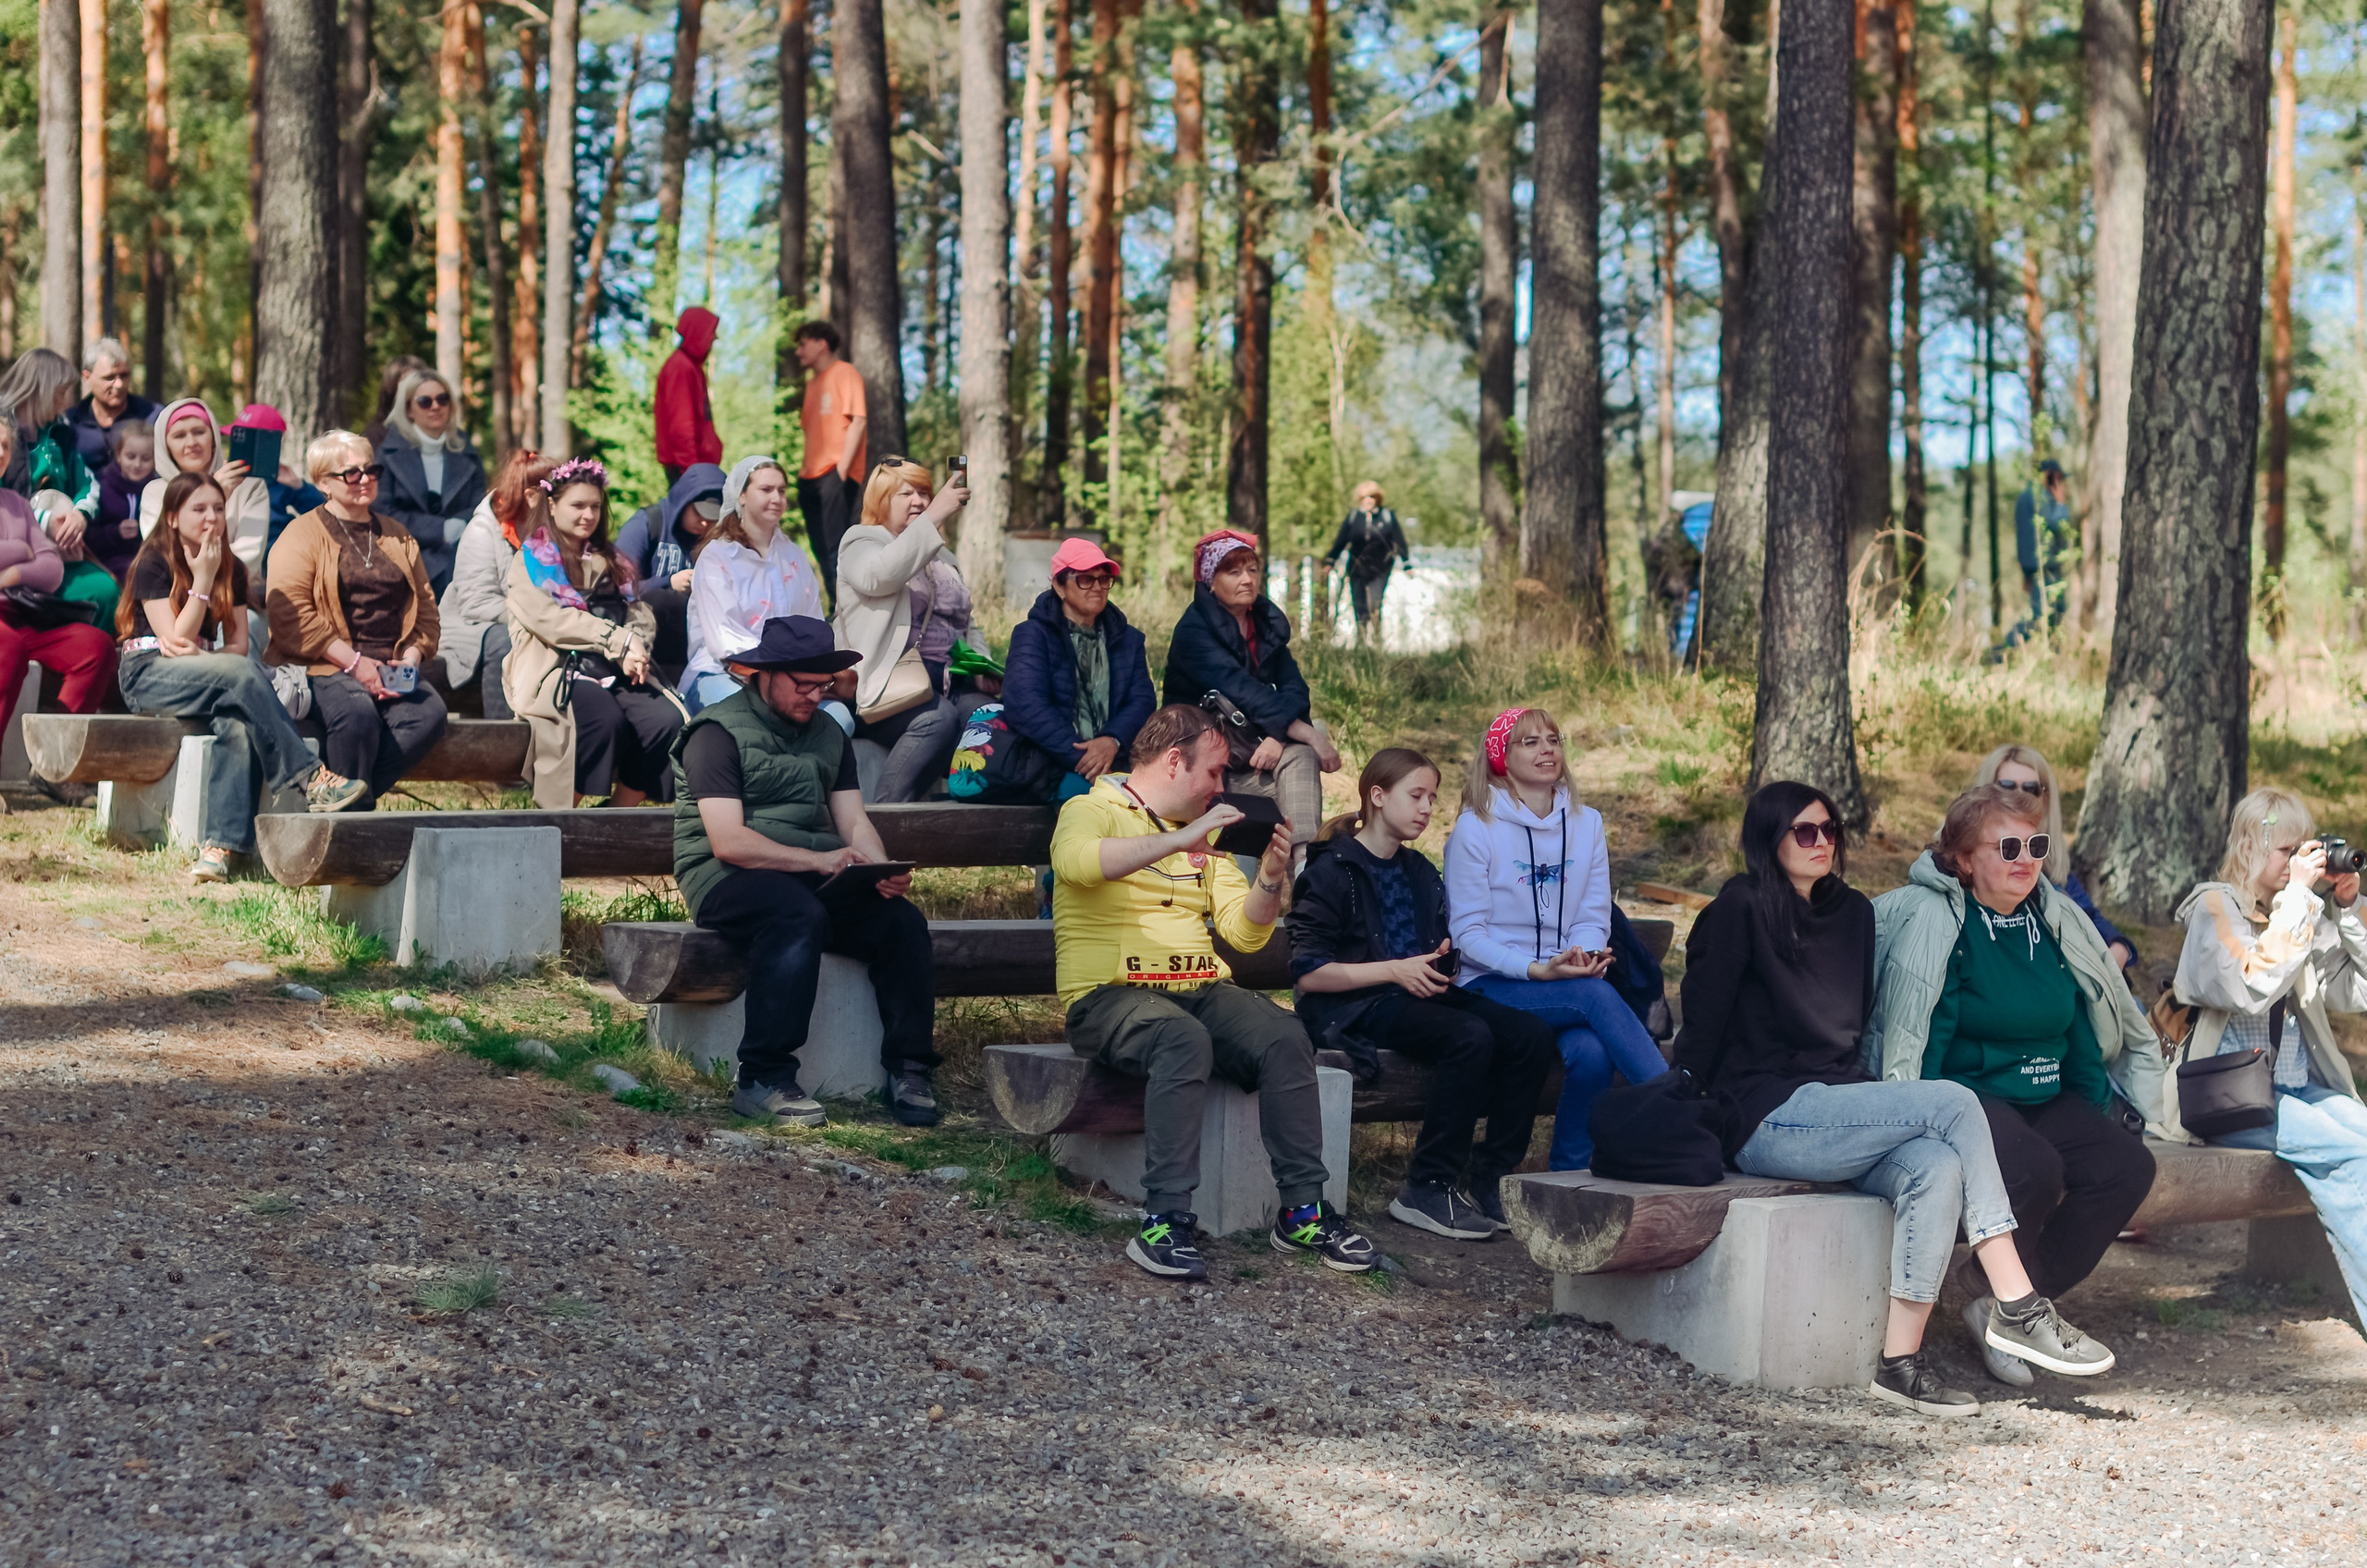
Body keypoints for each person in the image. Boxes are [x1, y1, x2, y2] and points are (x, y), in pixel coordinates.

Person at [1679, 780, 2117, 1415]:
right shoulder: (1737, 909)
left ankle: (1899, 1364)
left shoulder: (1854, 914)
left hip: (1839, 1105)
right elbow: (1703, 1028)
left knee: (1936, 1165)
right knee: (1953, 1102)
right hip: (1764, 1111)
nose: (1821, 842)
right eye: (1804, 832)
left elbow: (1862, 1027)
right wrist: (1692, 1100)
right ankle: (2018, 1303)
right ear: (1766, 840)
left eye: (1831, 830)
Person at [1052, 703, 1378, 1281]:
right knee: (1181, 1038)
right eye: (1214, 771)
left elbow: (1244, 935)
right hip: (1107, 995)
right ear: (1174, 760)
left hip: (1199, 988)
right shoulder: (1091, 808)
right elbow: (1080, 866)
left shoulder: (1208, 836)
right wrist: (1181, 842)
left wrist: (1270, 877)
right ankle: (1164, 1220)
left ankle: (1302, 1212)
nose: (1221, 786)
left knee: (1283, 1035)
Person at [1868, 782, 2164, 1387]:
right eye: (2006, 846)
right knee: (2034, 1169)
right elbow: (1925, 1036)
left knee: (2125, 1167)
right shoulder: (1947, 924)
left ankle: (1996, 1299)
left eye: (2035, 844)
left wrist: (2095, 1108)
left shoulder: (2052, 919)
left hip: (2048, 1094)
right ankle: (2015, 1306)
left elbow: (2079, 1021)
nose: (2025, 858)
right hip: (1968, 1096)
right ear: (1962, 860)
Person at [672, 614, 939, 1129]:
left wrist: (878, 868)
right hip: (724, 879)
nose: (815, 696)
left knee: (901, 921)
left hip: (809, 879)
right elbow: (728, 843)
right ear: (765, 674)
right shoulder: (715, 733)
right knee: (796, 914)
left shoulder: (828, 735)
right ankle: (762, 1076)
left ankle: (910, 1068)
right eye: (804, 685)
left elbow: (853, 820)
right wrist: (820, 861)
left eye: (824, 686)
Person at [1288, 747, 1555, 1239]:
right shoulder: (1331, 870)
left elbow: (1430, 948)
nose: (1427, 808)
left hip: (1415, 994)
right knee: (1469, 1036)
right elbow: (1309, 975)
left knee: (1530, 1036)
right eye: (1416, 795)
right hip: (1353, 1005)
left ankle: (1491, 1176)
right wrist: (1395, 971)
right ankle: (1427, 1186)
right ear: (1376, 796)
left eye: (1433, 797)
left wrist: (1442, 965)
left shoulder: (1419, 871)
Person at [2169, 787, 2367, 1329]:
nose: (2303, 861)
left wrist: (2349, 907)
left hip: (2293, 1090)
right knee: (2354, 1156)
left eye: (2308, 848)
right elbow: (2252, 984)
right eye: (2288, 851)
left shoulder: (2294, 911)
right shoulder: (2216, 909)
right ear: (2249, 848)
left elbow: (2360, 990)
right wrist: (2302, 902)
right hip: (2229, 1102)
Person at [1444, 706, 1668, 1172]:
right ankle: (1678, 1109)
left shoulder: (1588, 823)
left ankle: (1569, 1176)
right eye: (1530, 741)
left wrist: (1582, 952)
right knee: (1594, 996)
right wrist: (1535, 970)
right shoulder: (1475, 828)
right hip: (1489, 984)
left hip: (1562, 982)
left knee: (1591, 1051)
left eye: (1553, 739)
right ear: (1500, 757)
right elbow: (1468, 934)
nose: (1547, 748)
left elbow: (1593, 911)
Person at [116, 472, 368, 878]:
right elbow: (174, 641)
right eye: (198, 509)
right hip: (148, 673)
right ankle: (310, 777)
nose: (211, 518)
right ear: (173, 518)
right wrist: (201, 579)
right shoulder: (154, 560)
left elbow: (236, 646)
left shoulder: (228, 565)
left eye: (218, 508)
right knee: (238, 674)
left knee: (237, 722)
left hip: (209, 671)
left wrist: (206, 642)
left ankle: (220, 848)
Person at [264, 431, 450, 807]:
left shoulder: (399, 537)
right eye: (351, 473)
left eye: (371, 470)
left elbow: (426, 612)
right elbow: (289, 615)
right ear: (323, 483)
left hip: (390, 665)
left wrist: (410, 662)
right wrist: (354, 663)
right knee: (357, 713)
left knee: (429, 714)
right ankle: (348, 826)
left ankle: (350, 802)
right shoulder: (300, 535)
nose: (364, 479)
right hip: (323, 664)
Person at [504, 459, 683, 808]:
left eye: (595, 506)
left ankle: (616, 816)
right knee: (602, 720)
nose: (588, 515)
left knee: (667, 721)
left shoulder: (612, 560)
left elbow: (639, 614)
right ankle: (555, 820)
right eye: (578, 505)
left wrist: (636, 648)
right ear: (552, 506)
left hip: (614, 670)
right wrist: (618, 641)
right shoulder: (530, 560)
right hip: (555, 670)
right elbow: (552, 621)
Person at [1161, 529, 1342, 863]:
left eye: (1252, 570)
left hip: (1248, 749)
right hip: (1204, 767)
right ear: (1210, 582)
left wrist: (1278, 736)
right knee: (1306, 745)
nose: (1247, 579)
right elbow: (1242, 690)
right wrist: (1311, 736)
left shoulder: (1264, 623)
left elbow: (1295, 689)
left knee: (1300, 757)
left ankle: (1304, 870)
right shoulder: (1193, 631)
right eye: (1234, 572)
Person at [834, 458, 974, 803]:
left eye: (925, 493)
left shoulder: (944, 558)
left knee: (991, 718)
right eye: (906, 492)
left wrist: (982, 664)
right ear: (882, 500)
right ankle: (886, 822)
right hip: (883, 683)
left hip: (947, 677)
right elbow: (878, 575)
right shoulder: (861, 542)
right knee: (939, 719)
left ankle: (968, 820)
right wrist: (933, 519)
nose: (920, 500)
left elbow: (967, 622)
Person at [1000, 537, 1154, 802]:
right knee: (1089, 802)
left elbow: (1142, 700)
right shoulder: (1032, 635)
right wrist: (1085, 758)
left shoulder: (1128, 639)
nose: (1097, 587)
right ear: (1059, 586)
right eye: (1085, 579)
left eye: (1103, 579)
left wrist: (1111, 741)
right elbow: (1025, 704)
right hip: (1053, 761)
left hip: (1117, 757)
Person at [680, 456, 828, 713]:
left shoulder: (794, 556)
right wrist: (777, 680)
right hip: (719, 673)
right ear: (742, 496)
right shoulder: (717, 556)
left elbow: (813, 625)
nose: (777, 498)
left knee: (839, 719)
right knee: (752, 715)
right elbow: (724, 641)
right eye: (766, 489)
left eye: (781, 490)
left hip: (790, 677)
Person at [1971, 743, 2136, 971]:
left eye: (2031, 789)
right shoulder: (1966, 858)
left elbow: (2089, 915)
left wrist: (2119, 945)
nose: (2020, 798)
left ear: (2046, 800)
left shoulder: (2048, 864)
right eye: (2006, 787)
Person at [0, 461, 116, 764]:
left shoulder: (17, 504)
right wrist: (21, 551)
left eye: (5, 447)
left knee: (96, 646)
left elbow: (51, 571)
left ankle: (54, 764)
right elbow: (35, 561)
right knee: (8, 647)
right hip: (7, 631)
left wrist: (10, 573)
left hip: (21, 613)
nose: (0, 453)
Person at [0, 348, 115, 624]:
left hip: (60, 553)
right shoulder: (4, 432)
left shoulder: (61, 431)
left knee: (106, 590)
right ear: (41, 389)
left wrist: (78, 516)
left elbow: (87, 484)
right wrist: (44, 521)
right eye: (61, 391)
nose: (66, 401)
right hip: (14, 558)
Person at [437, 449, 554, 721]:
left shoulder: (552, 531)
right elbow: (475, 603)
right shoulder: (482, 530)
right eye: (555, 494)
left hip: (534, 623)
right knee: (507, 643)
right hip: (472, 631)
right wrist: (535, 617)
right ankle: (500, 735)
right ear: (532, 496)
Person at [374, 370, 489, 592]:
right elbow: (382, 512)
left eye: (442, 399)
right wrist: (440, 529)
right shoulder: (387, 454)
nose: (436, 407)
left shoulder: (466, 449)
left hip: (463, 553)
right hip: (406, 555)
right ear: (409, 410)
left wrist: (458, 525)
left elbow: (480, 502)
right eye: (425, 401)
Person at [139, 398, 270, 588]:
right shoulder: (156, 491)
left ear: (214, 438)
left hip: (234, 596)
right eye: (179, 436)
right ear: (166, 446)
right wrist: (217, 494)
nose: (191, 442)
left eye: (199, 432)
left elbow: (248, 561)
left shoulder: (250, 485)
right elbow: (160, 556)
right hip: (175, 594)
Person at [614, 461, 725, 671]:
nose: (704, 523)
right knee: (662, 600)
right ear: (683, 501)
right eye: (698, 513)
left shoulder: (717, 538)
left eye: (711, 518)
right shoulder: (648, 523)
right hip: (645, 633)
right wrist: (668, 583)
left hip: (696, 640)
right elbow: (616, 587)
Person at [791, 322, 867, 603]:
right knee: (819, 547)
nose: (798, 352)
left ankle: (847, 609)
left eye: (803, 344)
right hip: (809, 476)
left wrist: (841, 471)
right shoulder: (812, 384)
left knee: (837, 546)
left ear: (821, 344)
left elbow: (858, 421)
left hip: (835, 473)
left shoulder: (846, 373)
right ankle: (836, 606)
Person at [1323, 482, 1411, 643]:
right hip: (1357, 566)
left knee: (1374, 604)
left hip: (1381, 567)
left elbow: (1399, 540)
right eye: (1365, 497)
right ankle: (1361, 641)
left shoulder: (1386, 516)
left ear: (1378, 498)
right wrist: (1330, 561)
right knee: (1359, 604)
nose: (1369, 500)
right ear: (1360, 499)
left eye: (1372, 496)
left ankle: (1377, 640)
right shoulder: (1354, 517)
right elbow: (1341, 541)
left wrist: (1406, 564)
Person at [64, 337, 159, 475]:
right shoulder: (69, 422)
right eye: (109, 377)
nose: (119, 385)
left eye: (124, 375)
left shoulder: (152, 416)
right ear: (86, 377)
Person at [655, 307, 724, 484]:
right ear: (697, 333)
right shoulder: (681, 368)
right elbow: (681, 425)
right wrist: (692, 472)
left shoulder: (692, 368)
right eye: (710, 332)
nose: (714, 338)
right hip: (688, 470)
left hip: (696, 468)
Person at [2011, 459, 2071, 641]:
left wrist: (2026, 573)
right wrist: (2060, 504)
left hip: (2035, 567)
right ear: (2049, 475)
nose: (2060, 483)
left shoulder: (2026, 497)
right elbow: (2058, 524)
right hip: (2045, 567)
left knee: (2046, 615)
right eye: (2058, 478)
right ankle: (2002, 651)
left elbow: (2024, 537)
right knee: (2042, 616)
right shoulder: (2040, 497)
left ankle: (2048, 655)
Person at [90, 421, 155, 582]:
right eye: (131, 457)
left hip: (149, 557)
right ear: (118, 455)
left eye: (146, 458)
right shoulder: (102, 486)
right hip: (109, 559)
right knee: (136, 570)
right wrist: (115, 532)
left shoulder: (157, 489)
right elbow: (88, 535)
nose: (137, 464)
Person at [361, 356, 431, 449]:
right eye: (406, 379)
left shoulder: (437, 427)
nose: (412, 384)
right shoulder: (377, 434)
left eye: (417, 378)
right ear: (392, 386)